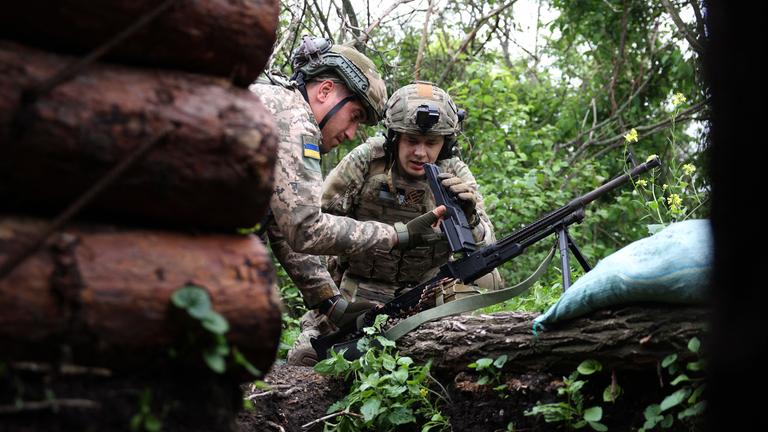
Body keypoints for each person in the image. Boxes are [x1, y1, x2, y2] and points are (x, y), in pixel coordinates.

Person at [250, 37, 445, 359]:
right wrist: (398, 234)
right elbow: (306, 229)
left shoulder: (273, 103)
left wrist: (329, 302)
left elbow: (282, 226)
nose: (352, 133)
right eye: (354, 116)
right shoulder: (296, 121)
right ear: (324, 91)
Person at [286, 81, 502, 365]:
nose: (420, 153)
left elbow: (486, 249)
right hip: (358, 293)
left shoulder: (455, 173)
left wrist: (470, 216)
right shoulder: (368, 161)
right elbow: (313, 226)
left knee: (473, 331)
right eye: (411, 140)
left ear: (445, 144)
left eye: (431, 143)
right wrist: (328, 300)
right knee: (309, 356)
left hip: (426, 294)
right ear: (395, 137)